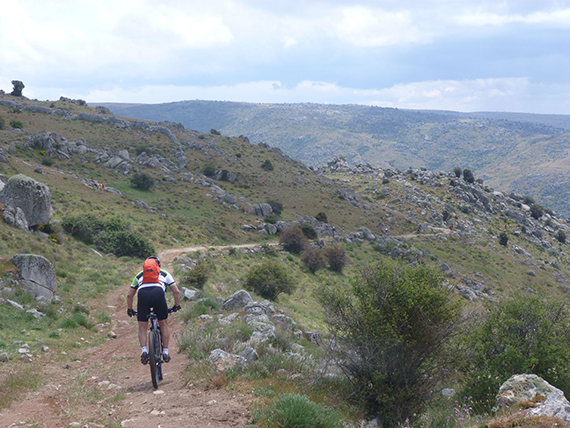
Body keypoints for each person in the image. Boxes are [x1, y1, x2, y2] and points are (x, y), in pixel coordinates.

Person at [127, 256, 181, 364]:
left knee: (142, 326)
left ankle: (144, 351)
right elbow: (176, 292)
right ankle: (165, 352)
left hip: (142, 294)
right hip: (158, 293)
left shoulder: (139, 275)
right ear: (158, 266)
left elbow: (129, 295)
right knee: (164, 323)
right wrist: (176, 305)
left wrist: (130, 309)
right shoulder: (164, 273)